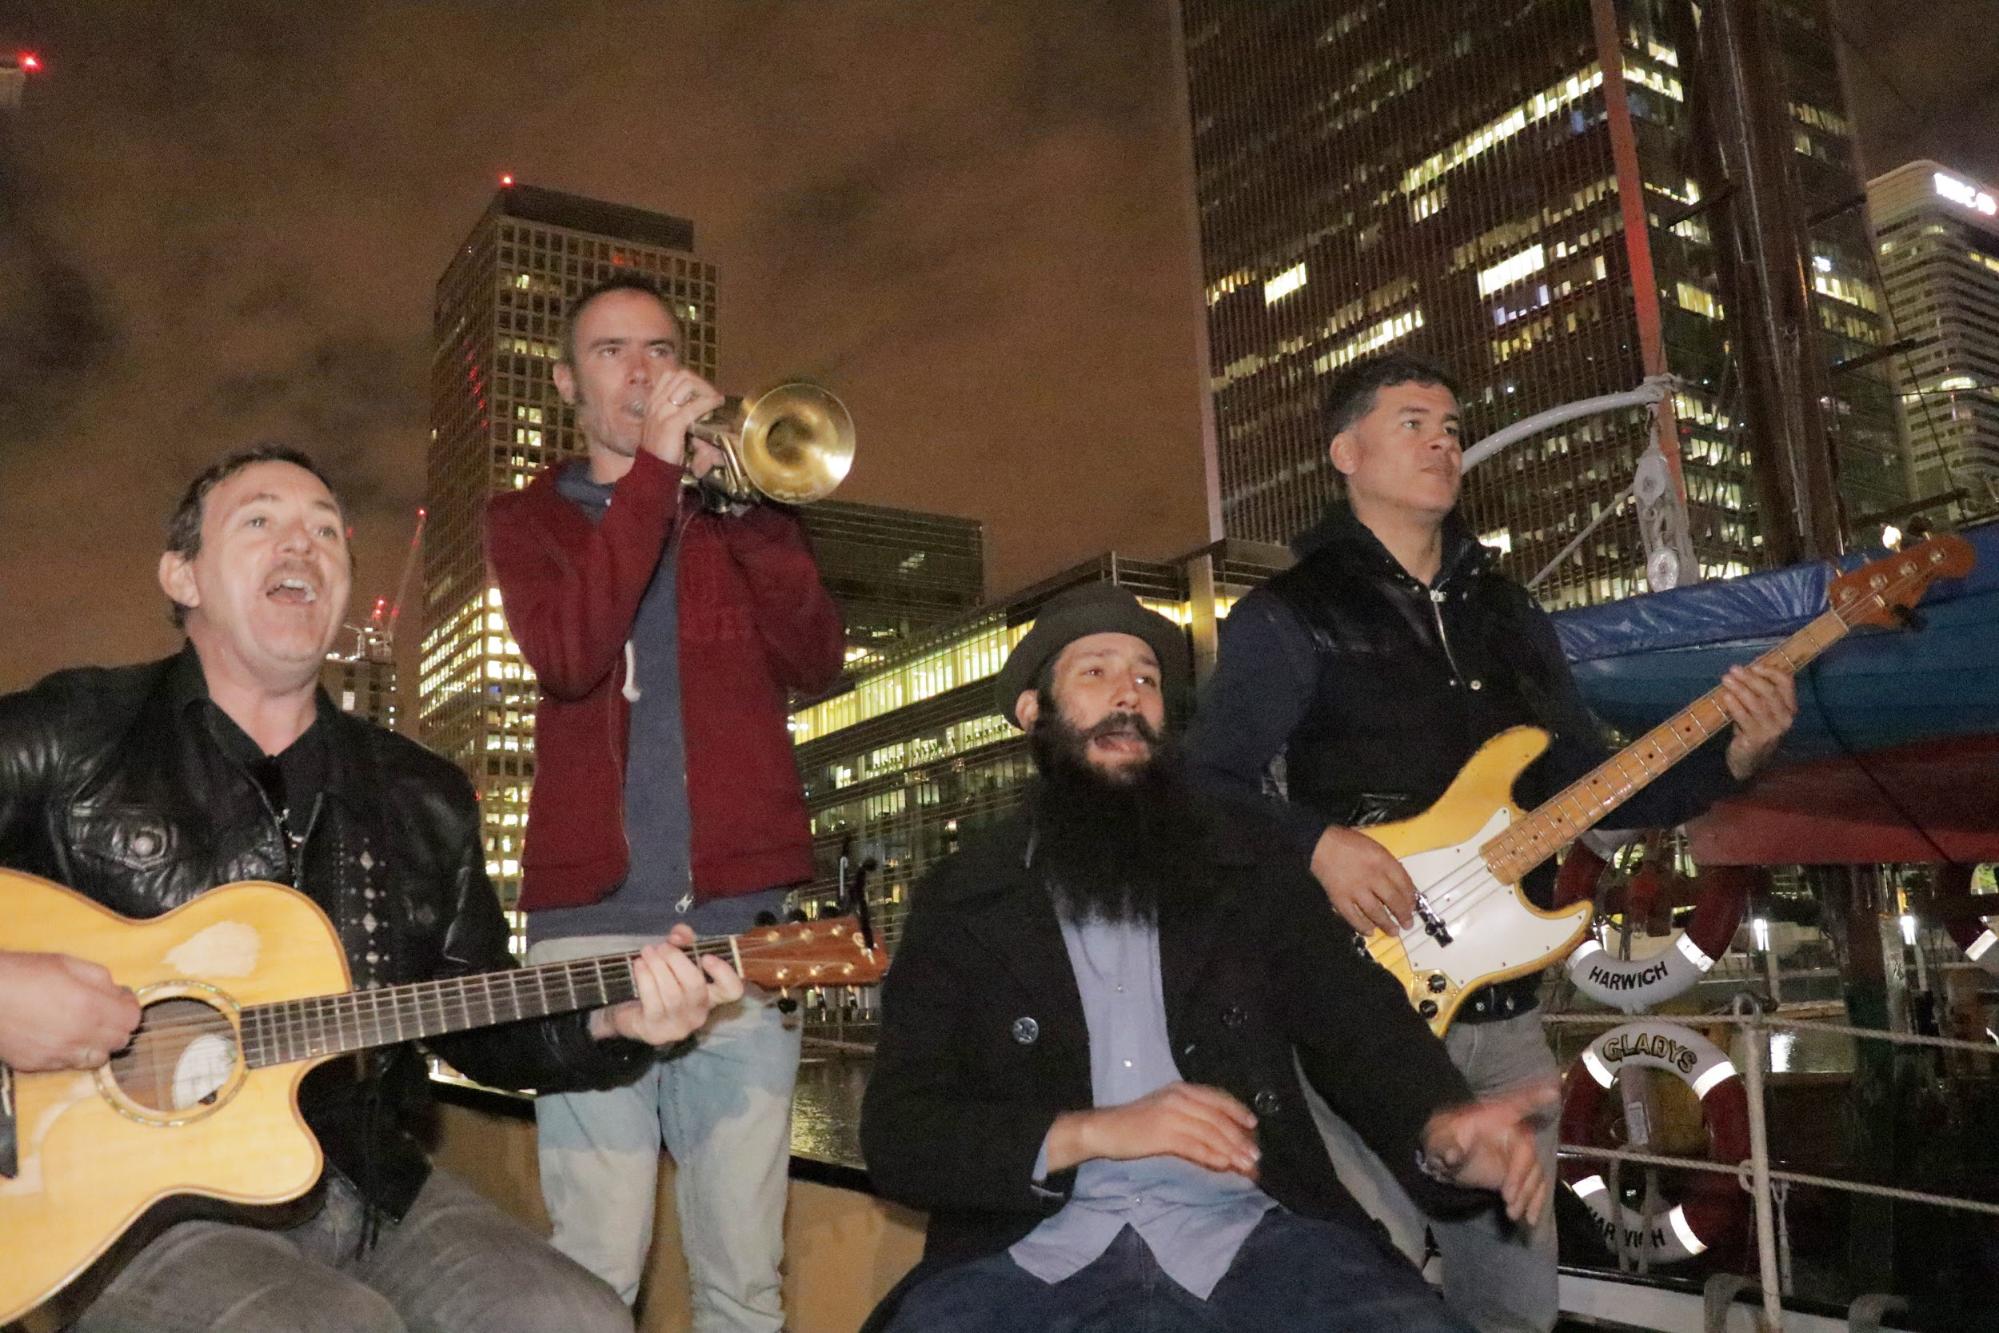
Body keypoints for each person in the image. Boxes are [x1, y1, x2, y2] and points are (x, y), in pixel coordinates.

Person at [0, 444, 741, 1333]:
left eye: (326, 531)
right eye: (260, 520)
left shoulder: (420, 792)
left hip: (371, 1180)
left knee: (574, 1318)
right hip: (137, 1211)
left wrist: (613, 1023)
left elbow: (482, 1014)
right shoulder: (72, 733)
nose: (302, 545)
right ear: (183, 574)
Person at [1186, 353, 1798, 1332]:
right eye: (1414, 421)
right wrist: (1318, 845)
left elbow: (1592, 788)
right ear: (1345, 452)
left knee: (1515, 1299)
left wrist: (1736, 757)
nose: (1443, 441)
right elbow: (1201, 785)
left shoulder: (1509, 618)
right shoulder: (1288, 615)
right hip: (1358, 1003)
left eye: (1453, 427)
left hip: (1503, 1007)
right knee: (1354, 1281)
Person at [860, 583, 1557, 1333]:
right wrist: (1089, 1131)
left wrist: (1442, 1132)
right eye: (1095, 671)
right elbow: (900, 1135)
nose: (1128, 692)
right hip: (1025, 1257)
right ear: (1035, 712)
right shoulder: (963, 898)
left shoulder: (1248, 873)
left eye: (1147, 678)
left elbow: (1361, 1030)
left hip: (1256, 1239)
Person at [486, 274, 844, 1328]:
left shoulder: (734, 516)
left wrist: (755, 513)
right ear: (564, 381)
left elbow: (817, 658)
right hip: (589, 930)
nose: (642, 369)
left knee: (744, 1279)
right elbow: (566, 653)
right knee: (593, 1267)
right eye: (610, 351)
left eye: (659, 347)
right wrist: (651, 480)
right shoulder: (528, 520)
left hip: (746, 930)